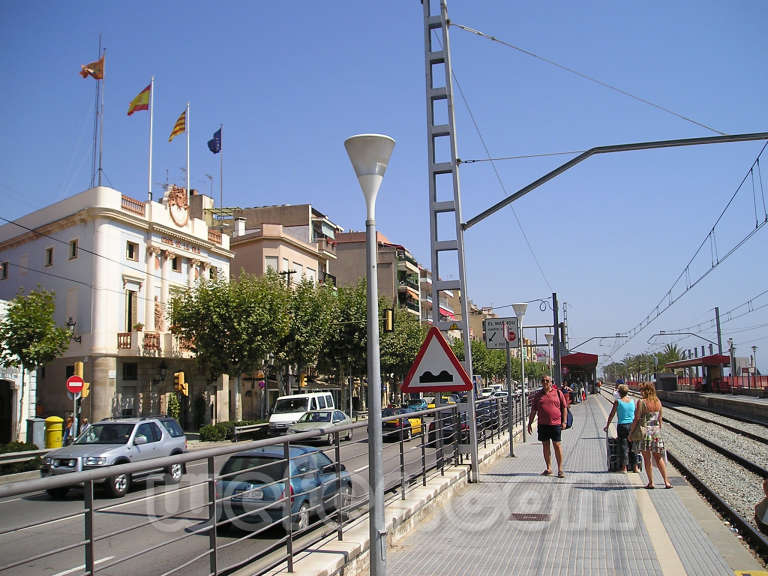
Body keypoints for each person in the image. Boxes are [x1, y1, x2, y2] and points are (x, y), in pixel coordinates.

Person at [629, 382, 672, 489]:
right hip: (656, 433)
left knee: (647, 459)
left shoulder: (641, 402)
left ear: (645, 391)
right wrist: (657, 429)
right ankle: (666, 482)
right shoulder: (658, 402)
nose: (640, 392)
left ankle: (651, 482)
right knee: (658, 458)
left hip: (645, 434)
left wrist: (631, 432)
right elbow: (660, 419)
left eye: (641, 390)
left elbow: (636, 418)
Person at [527, 376, 568, 478]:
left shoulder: (558, 393)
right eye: (543, 381)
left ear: (551, 382)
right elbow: (533, 410)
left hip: (555, 424)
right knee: (545, 446)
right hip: (543, 424)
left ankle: (560, 469)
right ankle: (549, 468)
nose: (545, 382)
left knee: (557, 445)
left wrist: (564, 421)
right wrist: (529, 423)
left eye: (547, 381)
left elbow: (564, 407)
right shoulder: (538, 395)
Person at [603, 384, 636, 472]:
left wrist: (607, 425)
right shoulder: (632, 401)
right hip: (632, 425)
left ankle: (624, 468)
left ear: (619, 392)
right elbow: (635, 414)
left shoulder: (618, 402)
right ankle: (635, 467)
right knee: (633, 446)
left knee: (623, 446)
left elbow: (612, 414)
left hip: (622, 426)